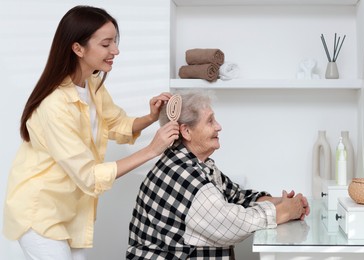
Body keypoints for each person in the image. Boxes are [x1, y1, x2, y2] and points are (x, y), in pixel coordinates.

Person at [3, 5, 179, 260]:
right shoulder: (54, 105)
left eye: (115, 42)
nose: (115, 51)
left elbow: (117, 124)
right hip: (40, 213)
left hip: (72, 212)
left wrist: (151, 117)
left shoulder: (92, 85)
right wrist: (152, 150)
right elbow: (89, 176)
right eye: (106, 44)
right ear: (78, 48)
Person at [127, 90, 310, 259]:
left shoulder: (198, 164)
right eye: (210, 121)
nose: (219, 127)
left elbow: (236, 196)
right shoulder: (184, 176)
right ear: (186, 131)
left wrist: (284, 202)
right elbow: (233, 225)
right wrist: (284, 211)